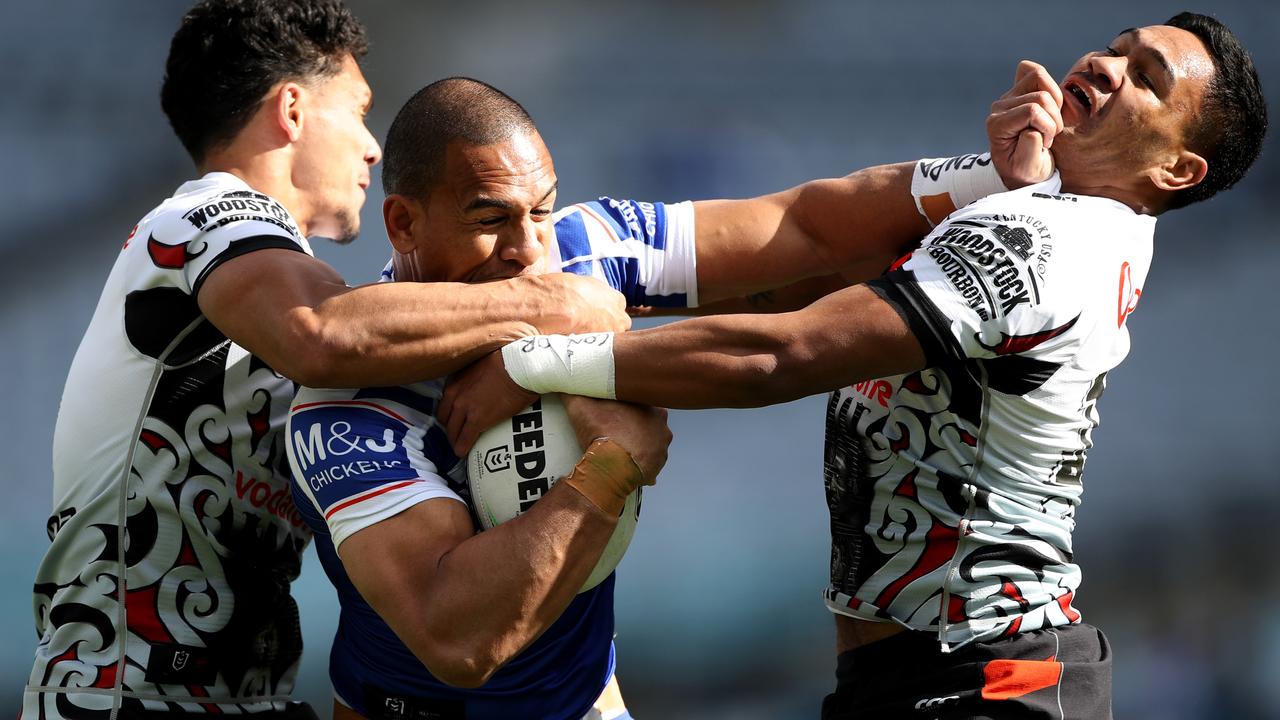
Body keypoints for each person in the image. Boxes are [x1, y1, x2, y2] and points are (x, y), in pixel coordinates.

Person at [439, 13, 1267, 719]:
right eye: (1118, 46)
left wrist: (540, 360)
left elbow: (779, 354)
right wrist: (601, 290)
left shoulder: (1044, 240)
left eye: (1148, 77)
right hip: (916, 676)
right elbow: (807, 265)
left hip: (987, 680)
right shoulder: (1043, 210)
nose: (1108, 64)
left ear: (1177, 171)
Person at [26, 2, 630, 719]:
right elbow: (320, 332)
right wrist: (553, 305)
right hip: (126, 698)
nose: (374, 149)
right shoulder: (206, 216)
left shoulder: (288, 279)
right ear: (291, 108)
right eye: (359, 109)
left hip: (243, 698)